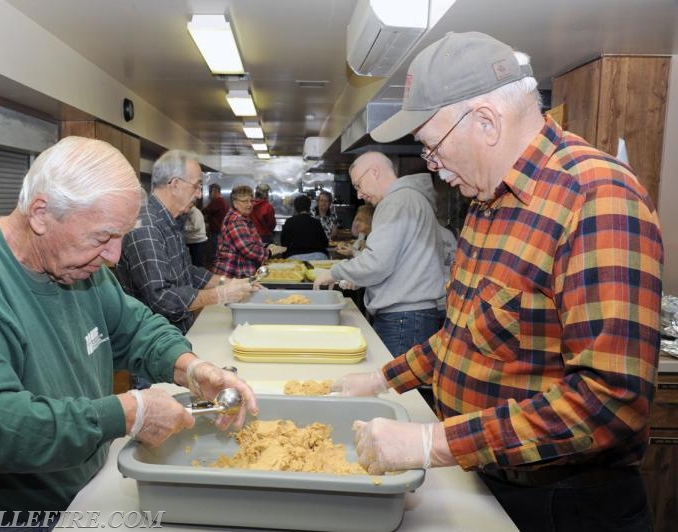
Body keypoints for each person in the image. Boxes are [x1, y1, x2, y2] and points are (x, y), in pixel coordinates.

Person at [339, 32, 662, 532]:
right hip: (491, 476)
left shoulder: (596, 198)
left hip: (565, 503)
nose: (435, 169)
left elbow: (610, 400)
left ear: (486, 122)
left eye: (433, 149)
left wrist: (434, 443)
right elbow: (465, 333)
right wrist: (382, 379)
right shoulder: (487, 201)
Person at [0, 137, 258, 528]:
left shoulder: (76, 265)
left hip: (80, 491)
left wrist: (191, 368)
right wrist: (125, 414)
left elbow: (136, 326)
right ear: (41, 213)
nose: (115, 256)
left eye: (121, 236)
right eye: (102, 237)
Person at [313, 151, 446, 358]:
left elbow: (377, 263)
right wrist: (358, 278)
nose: (358, 194)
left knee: (392, 389)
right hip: (413, 315)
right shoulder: (410, 198)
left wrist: (335, 272)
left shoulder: (396, 202)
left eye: (358, 185)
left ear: (374, 172)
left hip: (403, 318)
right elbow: (398, 261)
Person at [115, 150, 258, 336]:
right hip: (156, 339)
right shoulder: (147, 227)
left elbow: (186, 272)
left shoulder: (171, 220)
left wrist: (230, 282)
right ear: (175, 185)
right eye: (197, 186)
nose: (199, 194)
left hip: (178, 330)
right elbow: (162, 298)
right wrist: (220, 295)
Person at [213, 185, 285, 278]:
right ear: (235, 203)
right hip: (232, 274)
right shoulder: (236, 220)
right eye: (245, 201)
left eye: (251, 200)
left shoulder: (242, 218)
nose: (250, 205)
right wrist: (269, 252)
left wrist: (266, 246)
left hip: (236, 272)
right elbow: (248, 250)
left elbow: (248, 242)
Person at [280, 195, 329, 261]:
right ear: (309, 207)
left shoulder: (289, 222)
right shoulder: (316, 222)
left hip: (294, 257)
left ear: (296, 208)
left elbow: (284, 244)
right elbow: (325, 243)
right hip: (318, 257)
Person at [202, 182, 227, 266]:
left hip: (217, 231)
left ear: (215, 192)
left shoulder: (218, 201)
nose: (209, 195)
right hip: (219, 231)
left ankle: (215, 270)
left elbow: (205, 211)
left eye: (210, 192)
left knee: (215, 252)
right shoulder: (221, 201)